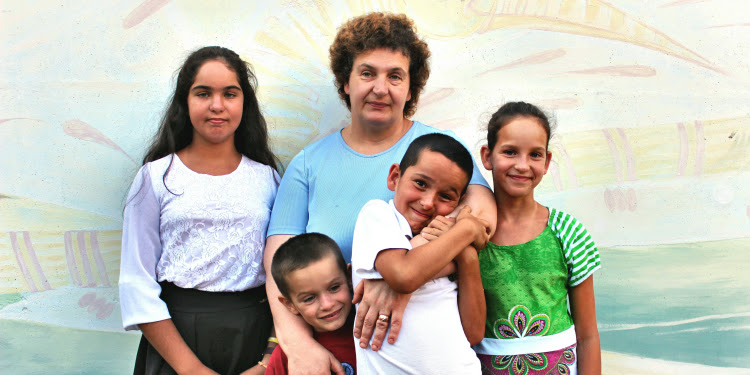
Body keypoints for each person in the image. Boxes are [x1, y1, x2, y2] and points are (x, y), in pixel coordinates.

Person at [263, 12, 496, 375]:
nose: (380, 88)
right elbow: (278, 266)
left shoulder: (436, 151)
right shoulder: (308, 164)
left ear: (410, 87)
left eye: (395, 76)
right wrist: (298, 345)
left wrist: (400, 276)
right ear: (345, 82)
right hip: (338, 353)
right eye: (367, 73)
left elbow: (481, 220)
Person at [119, 46, 280, 375]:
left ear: (244, 102)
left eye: (230, 94)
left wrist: (267, 360)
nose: (217, 105)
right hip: (176, 344)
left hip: (253, 341)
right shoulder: (155, 178)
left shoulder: (268, 178)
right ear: (185, 101)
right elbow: (136, 281)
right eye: (203, 93)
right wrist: (189, 368)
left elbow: (285, 274)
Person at [473, 102, 602, 375]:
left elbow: (588, 335)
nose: (522, 165)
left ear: (546, 162)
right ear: (487, 156)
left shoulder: (567, 232)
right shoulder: (470, 236)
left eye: (534, 154)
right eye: (510, 152)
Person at [351, 133, 488, 373]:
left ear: (458, 202)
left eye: (445, 196)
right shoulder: (378, 215)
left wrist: (466, 255)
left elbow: (474, 333)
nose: (427, 202)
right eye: (421, 184)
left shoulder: (453, 242)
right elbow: (404, 275)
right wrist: (467, 228)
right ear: (395, 177)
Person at [266, 233, 357, 375]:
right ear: (290, 304)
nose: (327, 305)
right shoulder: (287, 357)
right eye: (309, 298)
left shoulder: (375, 330)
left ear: (350, 278)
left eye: (334, 288)